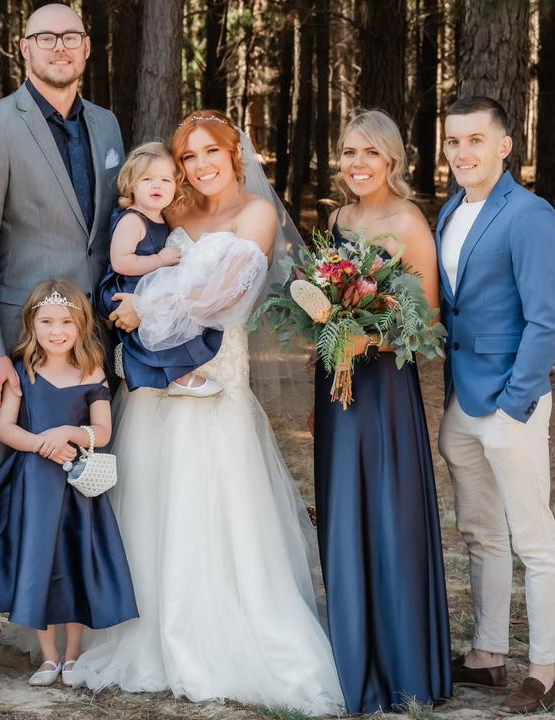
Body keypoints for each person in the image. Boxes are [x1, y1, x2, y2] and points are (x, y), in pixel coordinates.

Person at [72, 110, 345, 716]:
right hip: (153, 388)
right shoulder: (174, 211)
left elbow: (226, 300)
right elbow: (134, 259)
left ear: (234, 152)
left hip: (215, 379)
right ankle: (138, 629)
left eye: (208, 152)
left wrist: (146, 311)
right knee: (149, 500)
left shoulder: (256, 214)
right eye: (187, 157)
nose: (198, 166)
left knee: (211, 505)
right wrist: (126, 308)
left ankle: (221, 638)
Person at [0, 2, 125, 696]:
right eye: (46, 37)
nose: (60, 48)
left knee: (79, 485)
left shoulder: (106, 126)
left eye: (70, 37)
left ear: (87, 47)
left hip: (92, 342)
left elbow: (106, 235)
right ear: (24, 48)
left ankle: (66, 630)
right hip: (21, 344)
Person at [314, 109, 452, 713]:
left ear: (393, 160)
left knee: (388, 514)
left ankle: (402, 667)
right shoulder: (338, 220)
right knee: (342, 512)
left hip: (385, 390)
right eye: (348, 153)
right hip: (336, 386)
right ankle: (352, 660)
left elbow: (429, 322)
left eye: (370, 153)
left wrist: (368, 340)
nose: (357, 164)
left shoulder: (409, 222)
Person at [434, 96, 555, 715]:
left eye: (475, 141)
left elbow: (546, 322)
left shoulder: (529, 214)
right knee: (480, 533)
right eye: (453, 141)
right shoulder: (449, 211)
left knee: (533, 540)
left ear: (504, 146)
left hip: (510, 402)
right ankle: (488, 656)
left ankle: (543, 671)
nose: (462, 153)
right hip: (463, 402)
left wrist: (516, 405)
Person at [0, 278, 137, 688]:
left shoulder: (92, 370)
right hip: (33, 485)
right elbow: (5, 429)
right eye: (48, 322)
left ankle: (73, 654)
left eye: (67, 323)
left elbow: (102, 432)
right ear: (32, 324)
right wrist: (42, 443)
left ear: (82, 326)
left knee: (71, 562)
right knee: (36, 562)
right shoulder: (24, 371)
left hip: (76, 488)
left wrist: (69, 434)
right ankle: (48, 656)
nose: (57, 331)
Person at [97, 142, 222, 396]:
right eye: (148, 179)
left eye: (165, 180)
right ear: (131, 184)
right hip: (124, 289)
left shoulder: (160, 216)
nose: (157, 185)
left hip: (146, 286)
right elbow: (121, 262)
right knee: (162, 324)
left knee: (179, 318)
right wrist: (160, 259)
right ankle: (179, 377)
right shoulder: (132, 219)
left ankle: (176, 371)